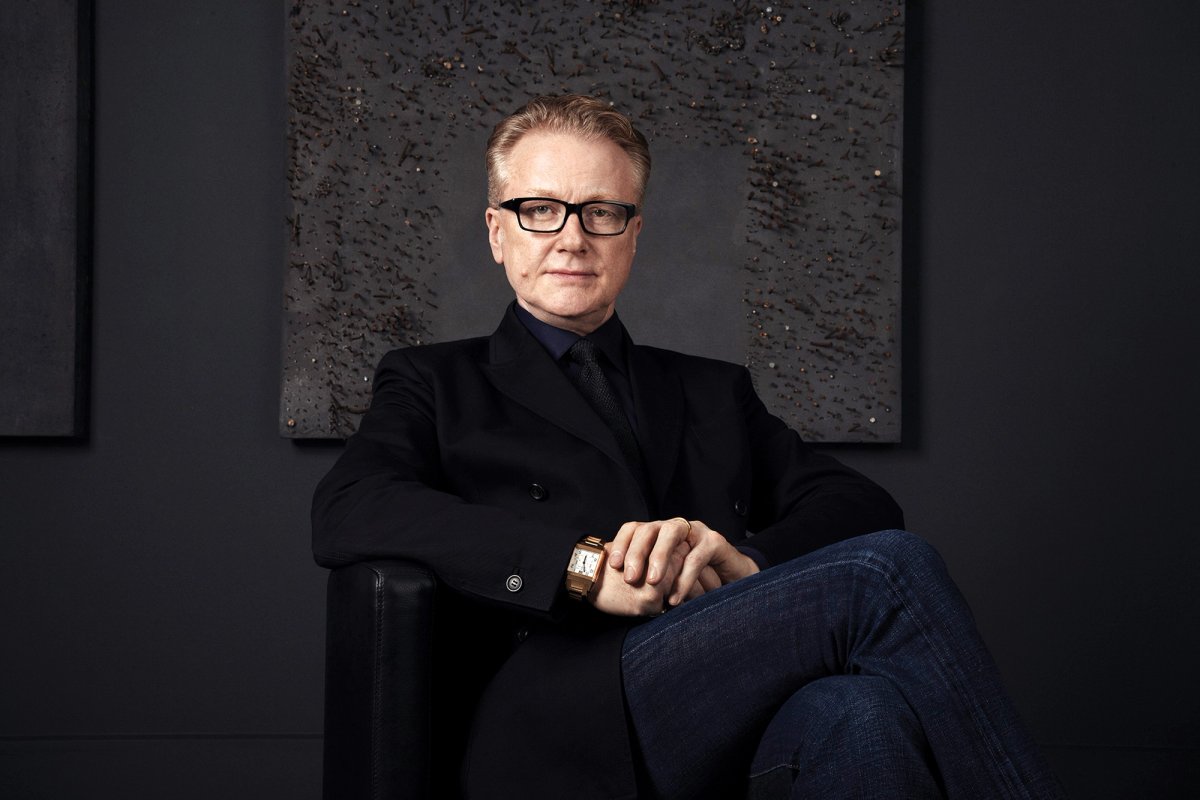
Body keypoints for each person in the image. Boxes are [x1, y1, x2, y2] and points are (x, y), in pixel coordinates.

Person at [311, 93, 1065, 799]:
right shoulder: (433, 381)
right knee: (886, 574)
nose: (573, 237)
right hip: (562, 711)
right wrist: (581, 568)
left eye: (601, 212)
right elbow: (350, 507)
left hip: (719, 705)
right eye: (540, 210)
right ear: (497, 232)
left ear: (633, 235)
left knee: (859, 709)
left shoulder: (712, 390)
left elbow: (861, 502)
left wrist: (747, 564)